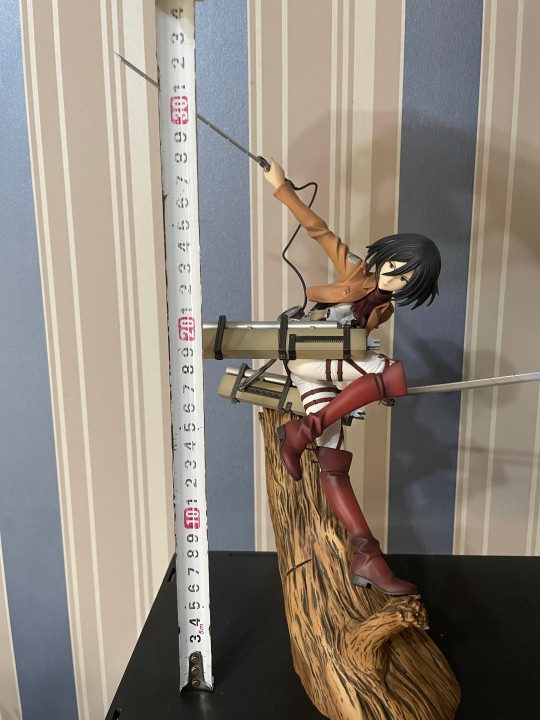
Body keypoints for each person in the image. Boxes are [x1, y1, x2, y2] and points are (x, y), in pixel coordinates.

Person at [264, 160, 441, 596]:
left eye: (405, 278)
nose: (394, 278)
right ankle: (301, 432)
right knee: (389, 372)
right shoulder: (356, 269)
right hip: (305, 354)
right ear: (386, 254)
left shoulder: (385, 309)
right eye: (395, 265)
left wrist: (370, 386)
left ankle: (366, 554)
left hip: (325, 374)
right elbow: (318, 229)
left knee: (335, 462)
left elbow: (357, 353)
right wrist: (282, 186)